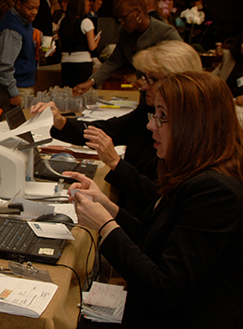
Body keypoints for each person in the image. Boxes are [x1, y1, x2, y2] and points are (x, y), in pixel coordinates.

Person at [60, 71, 243, 329]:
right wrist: (108, 207)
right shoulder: (199, 172)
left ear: (194, 125)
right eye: (154, 114)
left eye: (162, 117)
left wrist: (104, 227)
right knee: (69, 319)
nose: (150, 125)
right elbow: (158, 237)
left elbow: (163, 287)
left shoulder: (215, 191)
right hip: (181, 328)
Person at [32, 41, 201, 214]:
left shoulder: (189, 137)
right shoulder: (147, 110)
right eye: (145, 78)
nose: (143, 85)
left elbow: (163, 202)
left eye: (153, 79)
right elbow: (109, 130)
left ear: (180, 83)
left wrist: (116, 163)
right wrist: (61, 122)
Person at [73, 0, 182, 95]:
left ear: (138, 13)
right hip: (146, 94)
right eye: (119, 19)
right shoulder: (126, 33)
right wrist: (92, 81)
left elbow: (182, 63)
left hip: (165, 94)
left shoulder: (165, 32)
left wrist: (148, 80)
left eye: (124, 17)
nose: (122, 23)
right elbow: (114, 60)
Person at [0, 0, 43, 106]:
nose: (34, 12)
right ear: (19, 4)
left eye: (37, 8)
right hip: (15, 87)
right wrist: (13, 93)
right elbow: (3, 66)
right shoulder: (11, 28)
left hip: (23, 84)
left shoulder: (25, 21)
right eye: (30, 8)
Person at [58, 0, 99, 88]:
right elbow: (92, 46)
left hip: (66, 62)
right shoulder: (86, 22)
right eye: (87, 5)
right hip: (83, 62)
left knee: (68, 92)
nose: (89, 7)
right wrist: (97, 39)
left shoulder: (62, 22)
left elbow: (61, 45)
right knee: (82, 92)